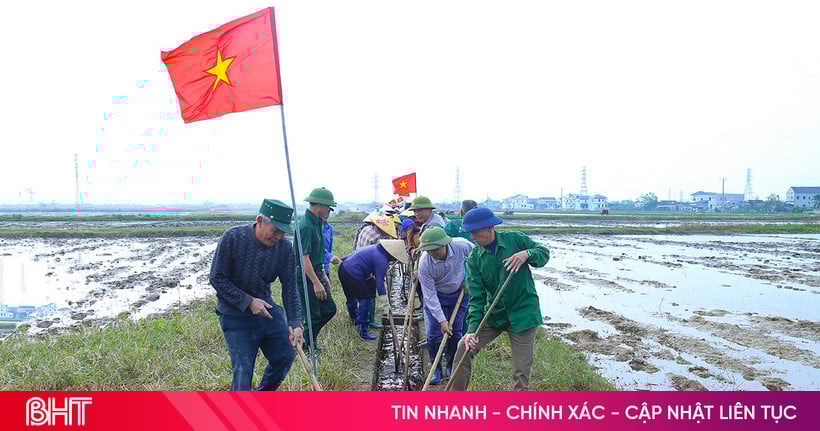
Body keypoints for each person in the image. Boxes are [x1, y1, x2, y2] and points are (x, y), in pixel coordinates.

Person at [448, 207, 550, 391]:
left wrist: (527, 254)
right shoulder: (474, 259)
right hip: (495, 314)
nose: (473, 237)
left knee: (521, 371)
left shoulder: (515, 240)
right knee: (464, 346)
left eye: (477, 232)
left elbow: (543, 253)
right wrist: (471, 331)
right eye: (471, 233)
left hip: (523, 313)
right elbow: (477, 299)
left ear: (490, 228)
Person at [209, 199, 303, 391]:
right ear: (260, 221)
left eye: (283, 232)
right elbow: (217, 278)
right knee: (243, 371)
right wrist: (248, 301)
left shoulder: (284, 248)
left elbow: (290, 287)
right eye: (275, 230)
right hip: (234, 314)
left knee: (285, 355)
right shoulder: (233, 238)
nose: (278, 236)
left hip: (266, 310)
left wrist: (296, 323)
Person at [417, 227, 474, 385]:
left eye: (435, 249)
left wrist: (470, 276)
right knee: (434, 334)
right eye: (428, 250)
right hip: (437, 297)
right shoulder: (425, 263)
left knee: (456, 332)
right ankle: (436, 369)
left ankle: (451, 365)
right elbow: (429, 295)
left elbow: (477, 257)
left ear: (445, 244)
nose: (432, 253)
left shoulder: (462, 246)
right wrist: (442, 320)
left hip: (460, 294)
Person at [338, 240, 409, 339]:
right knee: (365, 299)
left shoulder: (375, 248)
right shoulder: (382, 259)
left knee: (351, 297)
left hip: (343, 268)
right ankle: (362, 330)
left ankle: (354, 320)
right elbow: (380, 284)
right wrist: (385, 303)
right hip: (354, 272)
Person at [296, 187, 338, 355]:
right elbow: (304, 259)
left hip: (317, 273)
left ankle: (309, 340)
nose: (329, 211)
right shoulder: (306, 226)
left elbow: (317, 254)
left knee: (329, 309)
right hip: (306, 276)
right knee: (312, 316)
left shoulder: (317, 224)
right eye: (328, 207)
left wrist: (323, 277)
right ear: (319, 205)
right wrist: (315, 283)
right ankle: (306, 347)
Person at [350, 214, 397, 329]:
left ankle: (361, 319)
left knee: (361, 295)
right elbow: (379, 257)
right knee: (370, 295)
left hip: (357, 263)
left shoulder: (366, 229)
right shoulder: (378, 238)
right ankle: (369, 321)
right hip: (367, 269)